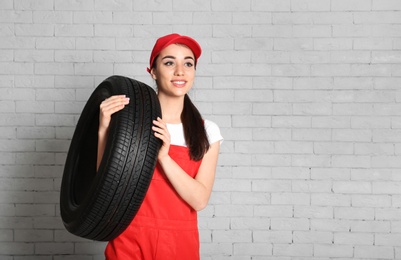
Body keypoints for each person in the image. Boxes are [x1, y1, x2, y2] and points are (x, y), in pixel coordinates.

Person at [97, 33, 223, 259]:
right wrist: (104, 129)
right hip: (129, 240)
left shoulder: (207, 132)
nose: (180, 71)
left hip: (179, 245)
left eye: (188, 63)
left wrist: (164, 157)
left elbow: (200, 199)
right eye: (169, 63)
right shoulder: (130, 123)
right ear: (153, 71)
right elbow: (104, 186)